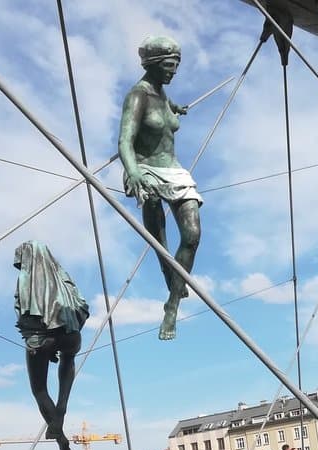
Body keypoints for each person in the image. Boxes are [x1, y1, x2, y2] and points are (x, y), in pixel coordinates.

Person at [119, 36, 202, 340]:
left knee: (192, 235)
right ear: (153, 65)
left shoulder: (163, 94)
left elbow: (164, 111)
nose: (173, 73)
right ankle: (169, 273)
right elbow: (124, 141)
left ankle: (172, 305)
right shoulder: (136, 97)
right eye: (168, 67)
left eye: (176, 67)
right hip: (146, 170)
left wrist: (173, 109)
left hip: (174, 170)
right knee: (160, 239)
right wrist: (132, 172)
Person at [14, 241, 88, 450]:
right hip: (71, 335)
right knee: (69, 357)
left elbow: (23, 315)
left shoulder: (25, 279)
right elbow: (82, 307)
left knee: (39, 390)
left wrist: (43, 340)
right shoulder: (64, 277)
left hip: (41, 338)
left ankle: (63, 444)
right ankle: (63, 405)